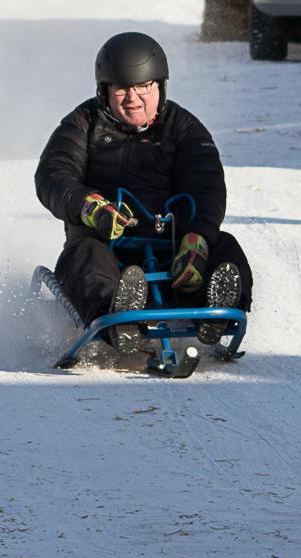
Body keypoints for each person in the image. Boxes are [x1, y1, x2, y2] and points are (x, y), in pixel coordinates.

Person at [34, 32, 252, 353]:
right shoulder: (83, 124)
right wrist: (90, 207)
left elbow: (207, 187)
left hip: (173, 247)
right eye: (121, 88)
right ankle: (119, 318)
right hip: (106, 244)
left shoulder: (184, 128)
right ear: (104, 91)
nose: (132, 97)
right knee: (83, 257)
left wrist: (198, 240)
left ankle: (214, 309)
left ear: (159, 88)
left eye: (143, 87)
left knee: (225, 246)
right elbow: (53, 174)